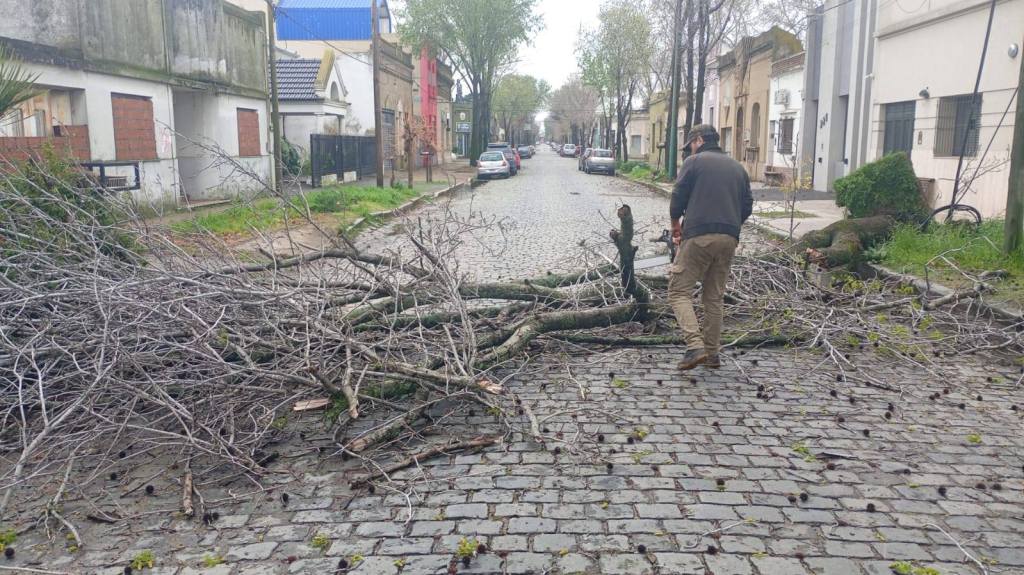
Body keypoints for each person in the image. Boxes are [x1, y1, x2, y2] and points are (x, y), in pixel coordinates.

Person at [668, 124, 753, 371]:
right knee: (713, 296)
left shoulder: (693, 163)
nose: (689, 150)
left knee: (678, 291)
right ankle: (713, 354)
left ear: (699, 140)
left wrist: (676, 225)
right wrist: (731, 224)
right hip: (729, 238)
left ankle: (695, 346)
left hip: (698, 236)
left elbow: (678, 196)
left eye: (690, 144)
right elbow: (747, 204)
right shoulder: (738, 167)